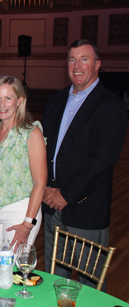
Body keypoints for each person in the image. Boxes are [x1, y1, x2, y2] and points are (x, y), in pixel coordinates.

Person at [41, 40, 127, 290]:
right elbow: (43, 151)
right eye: (71, 60)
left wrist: (66, 194)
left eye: (84, 59)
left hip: (85, 210)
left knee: (91, 285)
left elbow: (102, 162)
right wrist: (46, 187)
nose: (76, 66)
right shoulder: (55, 102)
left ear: (98, 65)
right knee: (54, 282)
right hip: (51, 206)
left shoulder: (111, 106)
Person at [0, 75, 47, 260]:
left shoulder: (31, 132)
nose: (2, 104)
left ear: (19, 100)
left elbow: (40, 183)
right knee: (0, 268)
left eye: (8, 98)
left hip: (19, 211)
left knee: (13, 270)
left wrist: (27, 224)